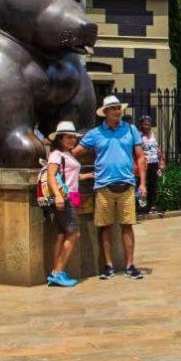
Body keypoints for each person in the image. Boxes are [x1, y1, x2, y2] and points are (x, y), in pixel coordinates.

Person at [75, 96, 147, 280]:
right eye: (113, 108)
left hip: (127, 184)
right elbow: (75, 153)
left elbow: (140, 157)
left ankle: (130, 264)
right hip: (104, 185)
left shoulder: (131, 130)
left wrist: (143, 184)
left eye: (118, 108)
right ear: (105, 112)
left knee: (127, 225)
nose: (117, 111)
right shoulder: (96, 133)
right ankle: (108, 265)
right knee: (105, 227)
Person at [44, 121, 91, 286]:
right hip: (64, 198)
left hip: (69, 196)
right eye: (68, 137)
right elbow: (51, 176)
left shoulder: (67, 155)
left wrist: (88, 176)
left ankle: (55, 272)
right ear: (60, 138)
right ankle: (57, 272)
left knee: (62, 235)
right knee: (74, 234)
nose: (72, 140)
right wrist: (57, 195)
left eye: (73, 137)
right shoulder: (57, 154)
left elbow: (69, 177)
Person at [137, 115, 164, 216]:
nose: (147, 126)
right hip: (145, 164)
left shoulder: (153, 134)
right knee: (142, 185)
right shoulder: (139, 136)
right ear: (141, 125)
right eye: (145, 125)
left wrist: (161, 161)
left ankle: (151, 205)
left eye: (149, 124)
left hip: (154, 163)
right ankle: (142, 207)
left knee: (153, 185)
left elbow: (158, 148)